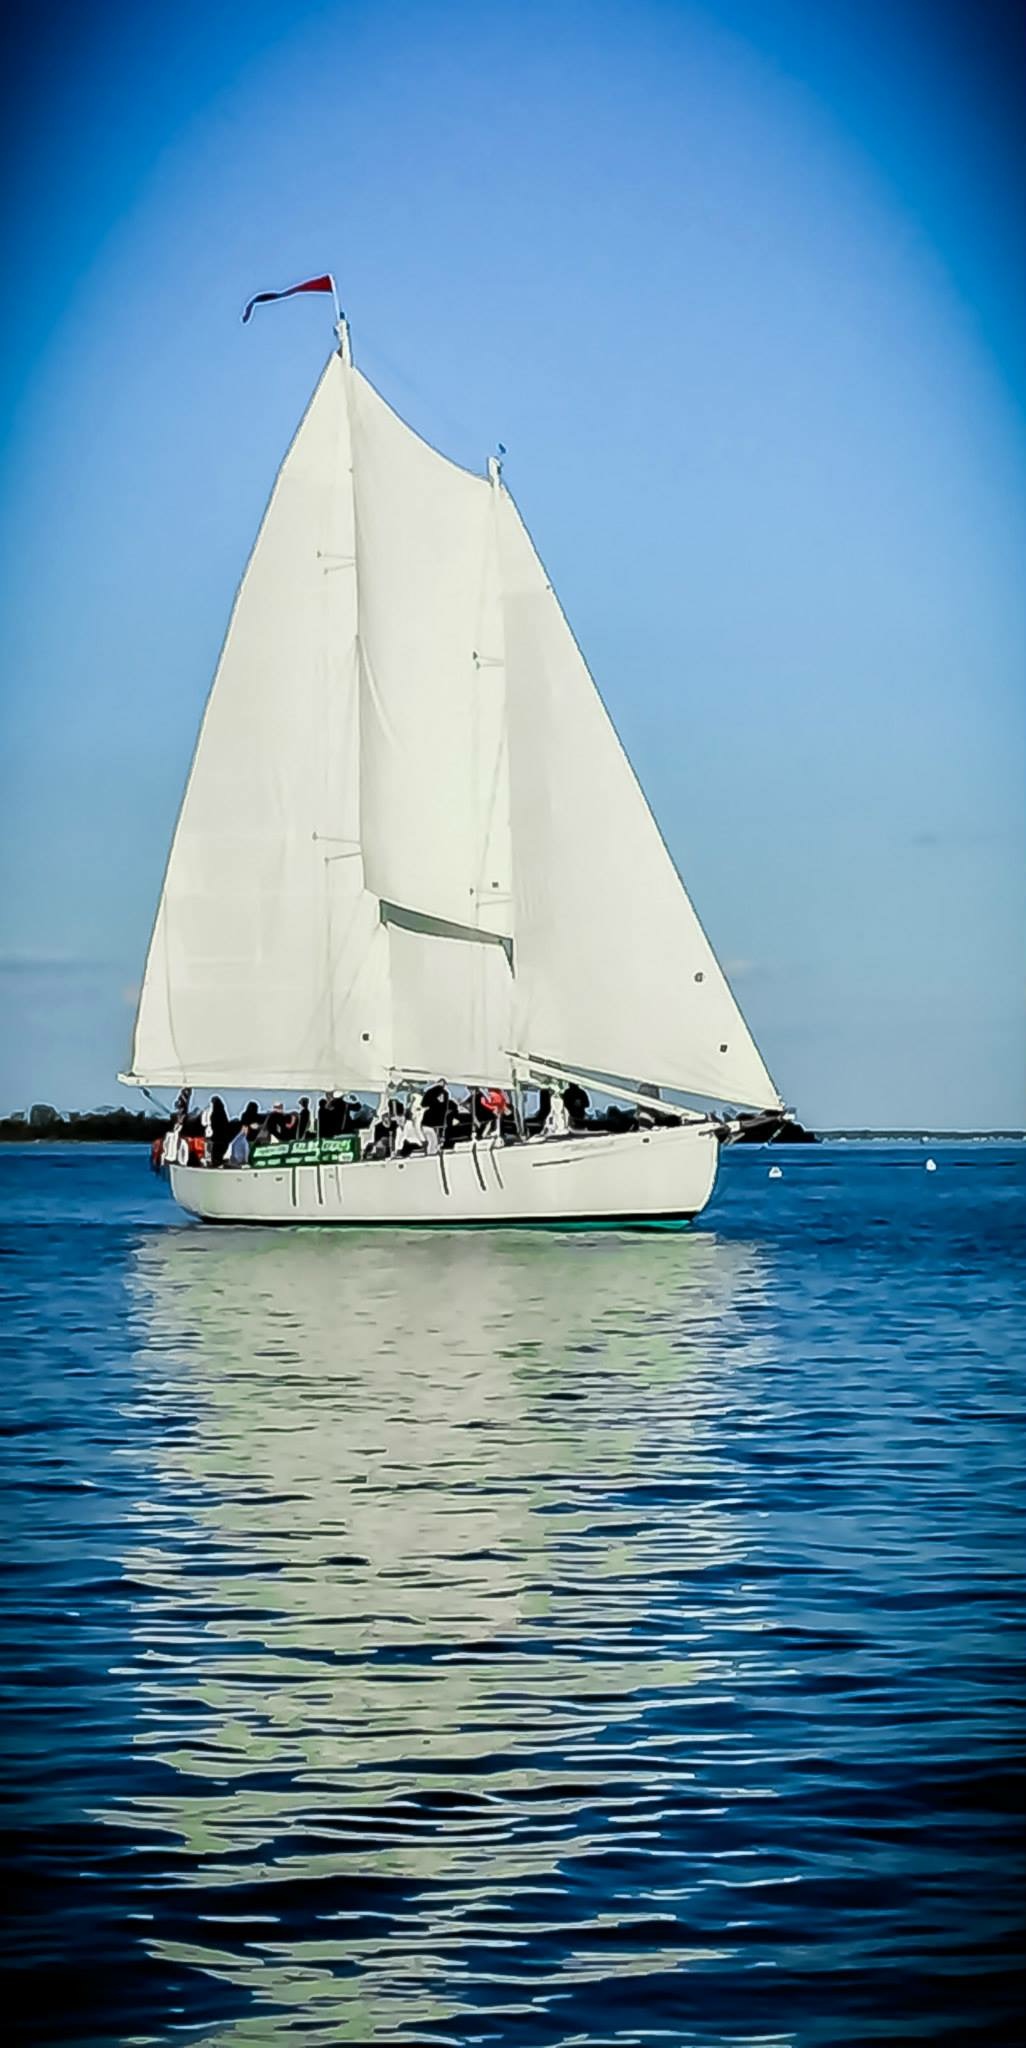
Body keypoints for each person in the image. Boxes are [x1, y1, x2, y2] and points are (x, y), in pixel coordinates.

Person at [202, 1095, 230, 1166]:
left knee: (214, 1155)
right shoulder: (223, 1113)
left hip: (216, 1138)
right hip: (222, 1138)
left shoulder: (212, 1113)